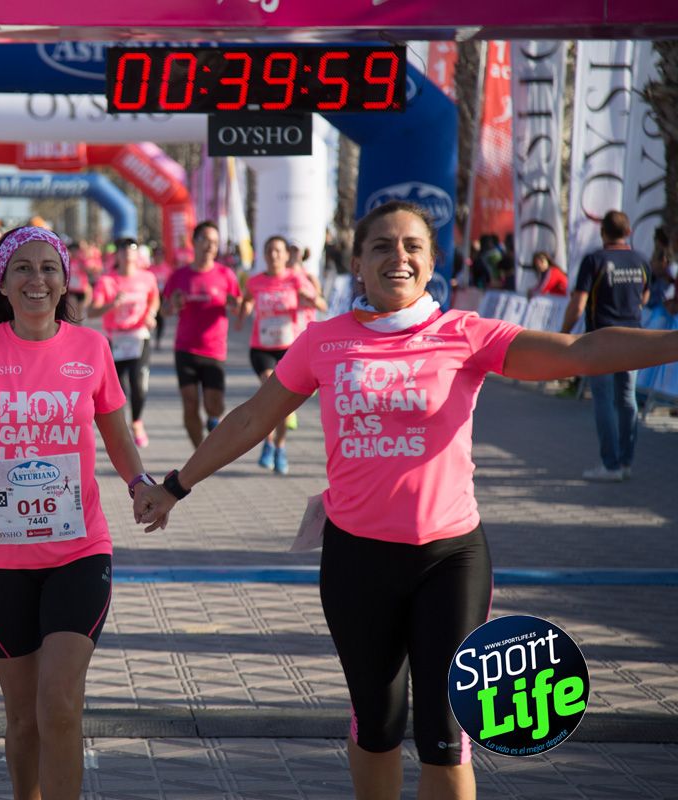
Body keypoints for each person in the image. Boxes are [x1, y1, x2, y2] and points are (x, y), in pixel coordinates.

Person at [133, 200, 678, 800]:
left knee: (447, 731)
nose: (399, 256)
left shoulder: (465, 333)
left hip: (450, 559)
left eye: (413, 246)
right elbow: (252, 419)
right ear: (358, 266)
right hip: (356, 560)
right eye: (382, 247)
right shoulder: (324, 341)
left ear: (431, 263)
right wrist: (175, 487)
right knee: (377, 726)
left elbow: (579, 354)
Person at [0, 226, 159, 800]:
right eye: (23, 269)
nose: (37, 279)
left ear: (64, 281)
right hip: (0, 557)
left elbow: (116, 435)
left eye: (49, 268)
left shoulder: (92, 349)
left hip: (79, 550)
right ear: (3, 283)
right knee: (23, 719)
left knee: (58, 703)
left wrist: (139, 483)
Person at [562, 210, 651, 482]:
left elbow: (578, 304)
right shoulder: (641, 260)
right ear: (629, 232)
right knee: (627, 400)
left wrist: (563, 334)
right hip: (633, 338)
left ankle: (609, 465)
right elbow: (644, 297)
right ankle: (625, 463)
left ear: (603, 232)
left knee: (603, 400)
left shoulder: (595, 260)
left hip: (601, 340)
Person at [239, 235, 323, 475]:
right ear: (263, 255)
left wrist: (310, 298)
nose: (274, 255)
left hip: (289, 349)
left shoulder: (297, 279)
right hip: (262, 348)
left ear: (287, 256)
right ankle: (268, 442)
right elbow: (246, 301)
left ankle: (279, 447)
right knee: (270, 390)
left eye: (278, 251)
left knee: (283, 405)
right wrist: (243, 309)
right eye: (269, 251)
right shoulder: (255, 282)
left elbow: (321, 304)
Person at [162, 221, 242, 447]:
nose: (210, 246)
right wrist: (173, 305)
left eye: (215, 242)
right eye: (206, 240)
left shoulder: (226, 275)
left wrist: (235, 305)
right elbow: (165, 310)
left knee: (213, 405)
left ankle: (214, 418)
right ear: (194, 242)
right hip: (185, 348)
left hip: (214, 349)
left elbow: (238, 307)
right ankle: (200, 450)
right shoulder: (179, 276)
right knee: (189, 402)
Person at [89, 237, 161, 448]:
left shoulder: (147, 277)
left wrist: (151, 313)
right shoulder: (107, 281)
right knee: (118, 390)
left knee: (139, 383)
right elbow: (92, 311)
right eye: (124, 250)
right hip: (115, 339)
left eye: (133, 250)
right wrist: (111, 304)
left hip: (139, 336)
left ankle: (137, 422)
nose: (129, 254)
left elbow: (154, 298)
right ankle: (119, 431)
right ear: (117, 255)